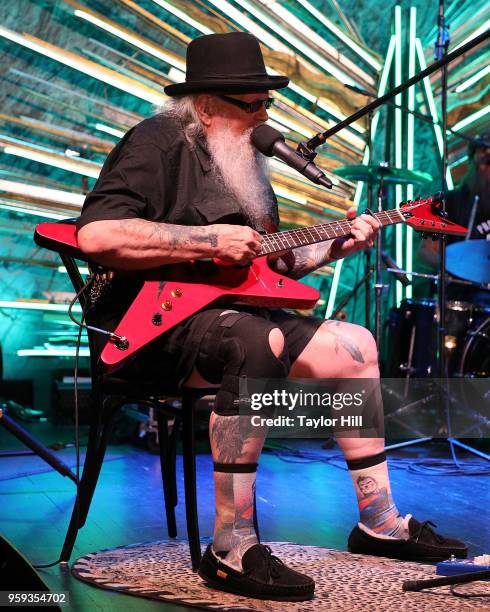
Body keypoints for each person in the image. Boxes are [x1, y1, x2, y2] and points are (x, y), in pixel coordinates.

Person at [76, 32, 467, 602]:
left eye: (267, 104)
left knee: (353, 343)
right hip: (151, 329)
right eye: (251, 104)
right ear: (206, 105)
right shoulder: (155, 142)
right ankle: (231, 545)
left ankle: (377, 521)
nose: (264, 118)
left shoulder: (245, 166)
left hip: (235, 319)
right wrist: (205, 238)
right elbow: (97, 234)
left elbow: (268, 268)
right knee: (262, 341)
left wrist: (339, 245)